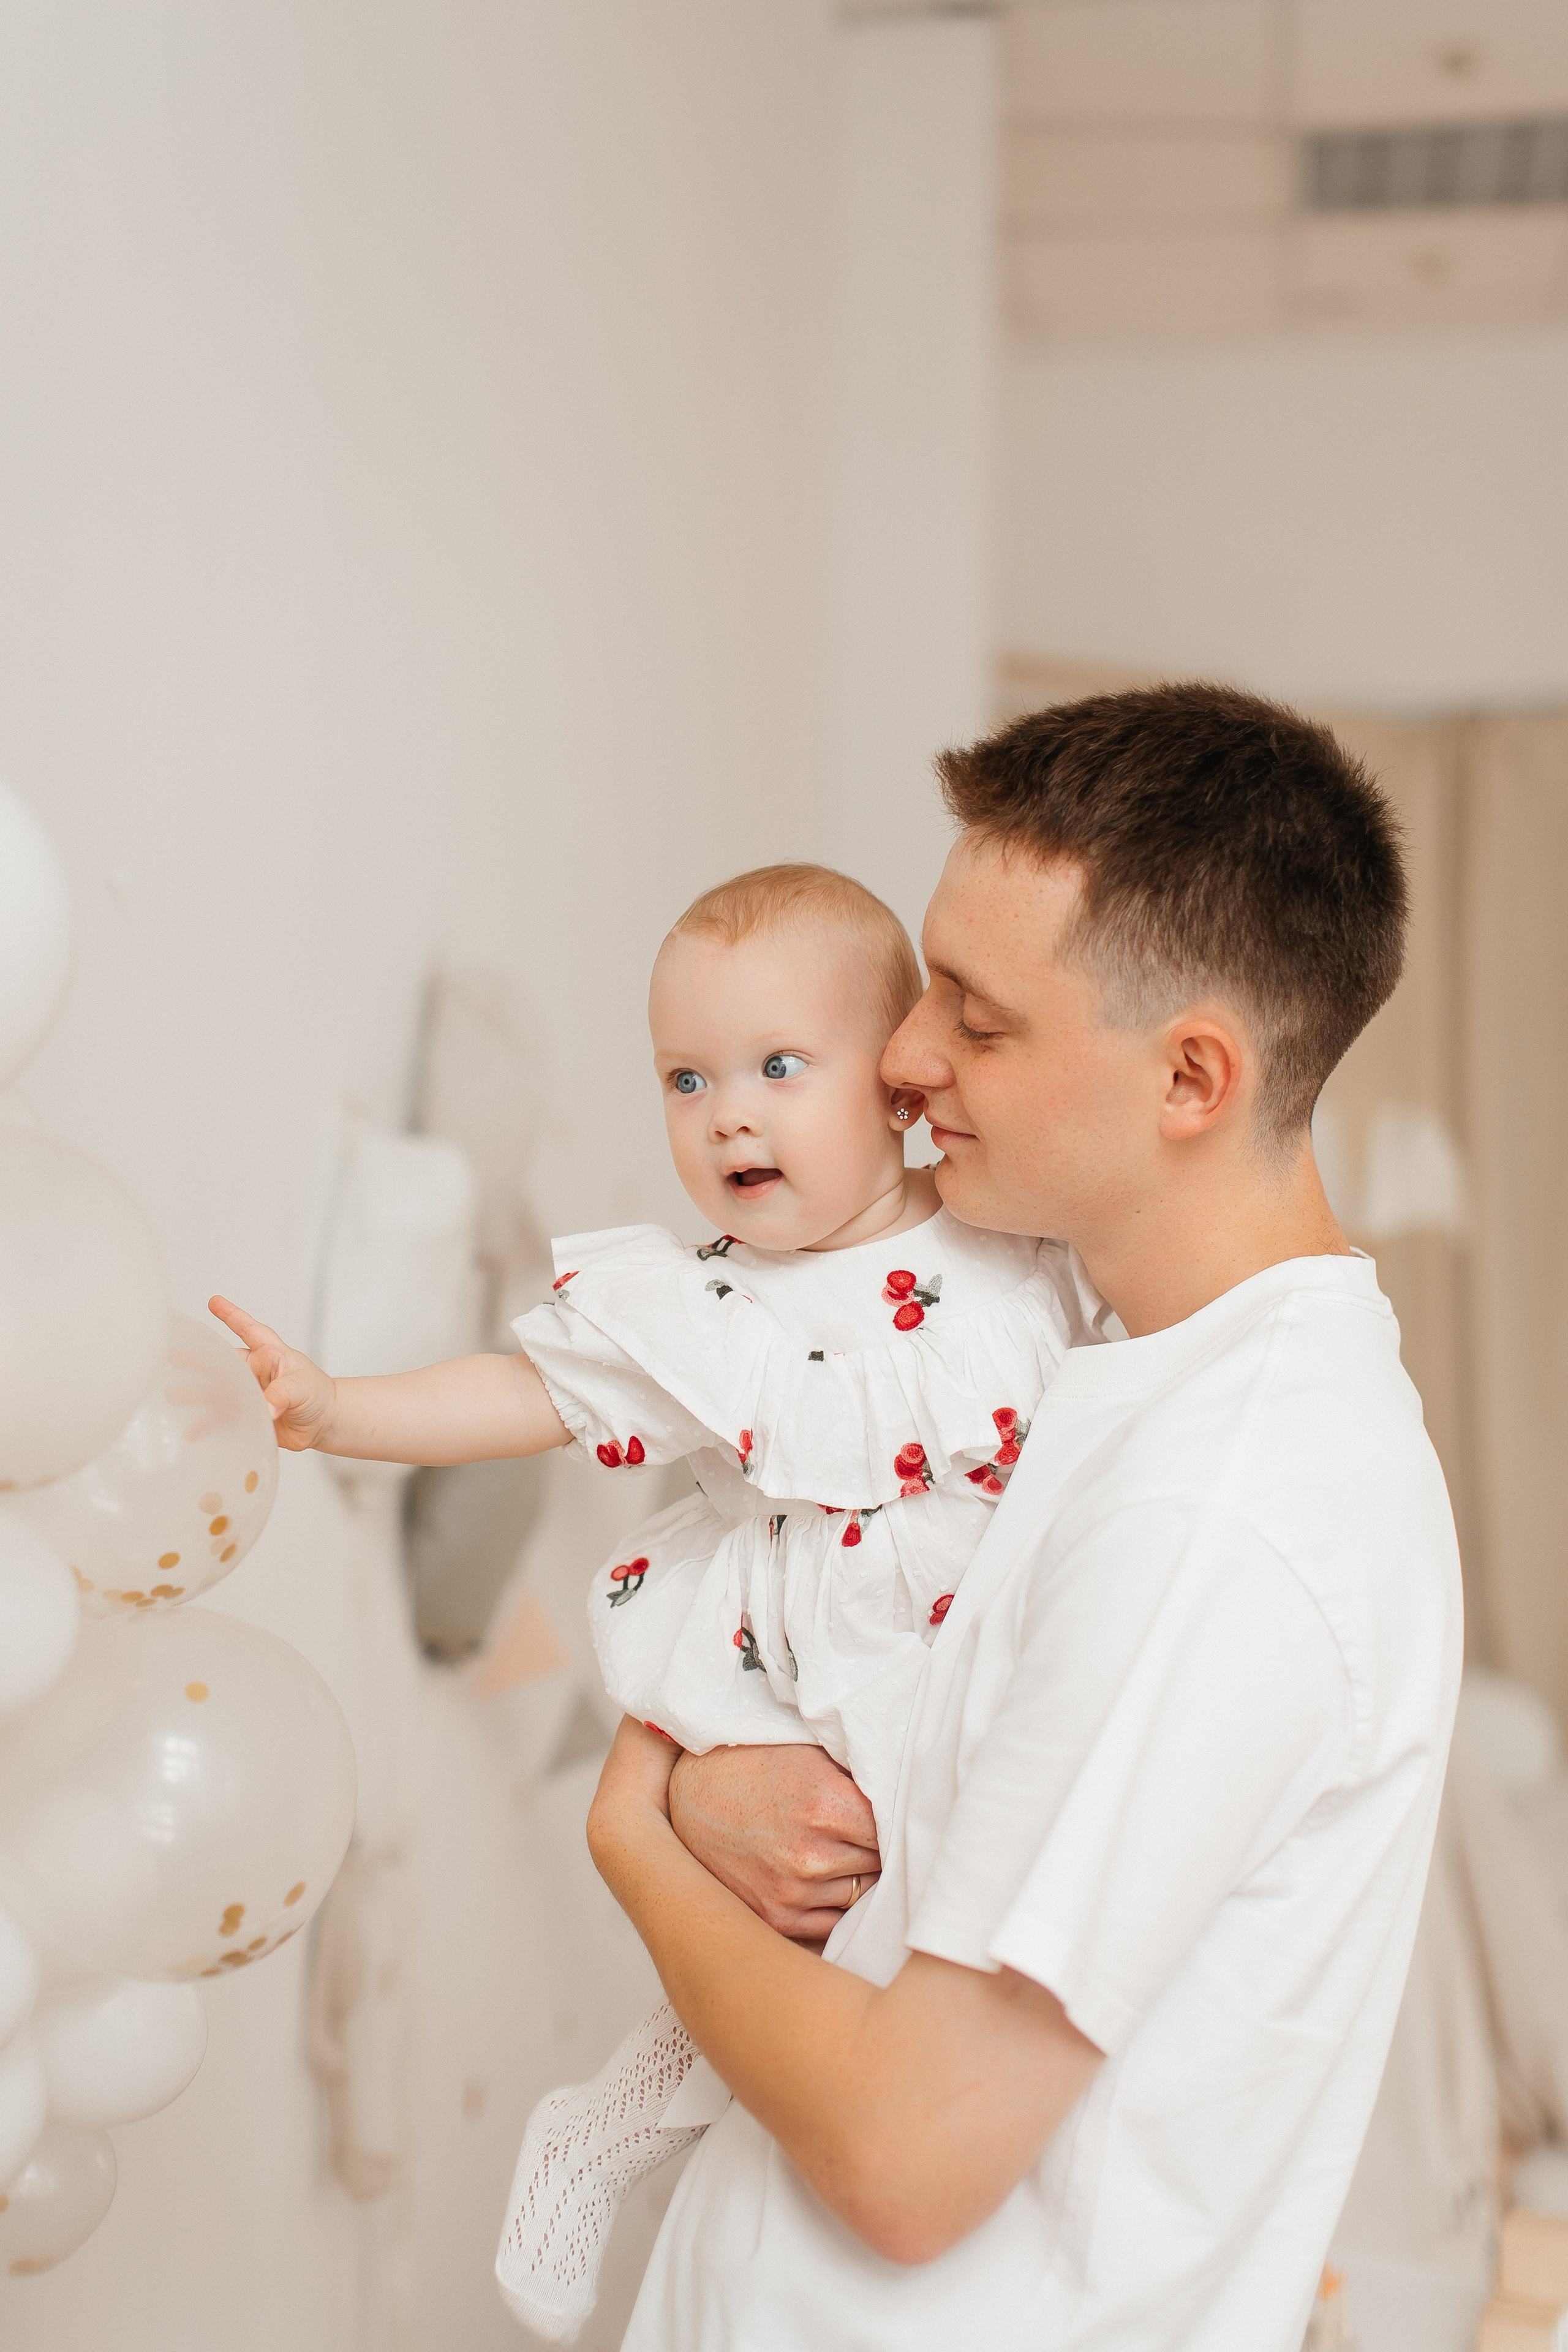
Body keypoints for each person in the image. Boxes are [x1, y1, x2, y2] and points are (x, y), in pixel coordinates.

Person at [586, 682, 1464, 2352]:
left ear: (1193, 1075)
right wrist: (719, 1789)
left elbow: (912, 2154)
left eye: (980, 1024)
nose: (905, 1060)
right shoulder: (1097, 1378)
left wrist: (631, 1828)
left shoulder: (1227, 1506)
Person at [208, 861, 1104, 2340]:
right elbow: (523, 1390)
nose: (726, 1112)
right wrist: (333, 1404)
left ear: (895, 1083)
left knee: (932, 1947)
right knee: (818, 1926)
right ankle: (607, 2130)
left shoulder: (1012, 1242)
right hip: (811, 1656)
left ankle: (611, 2126)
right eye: (685, 1079)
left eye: (776, 1067)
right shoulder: (705, 1300)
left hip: (968, 1648)